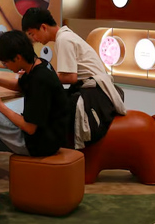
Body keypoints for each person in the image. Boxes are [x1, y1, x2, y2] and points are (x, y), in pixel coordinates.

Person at [0, 30, 70, 163]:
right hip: (37, 137)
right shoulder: (39, 65)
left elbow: (29, 127)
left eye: (6, 63)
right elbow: (21, 85)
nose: (6, 66)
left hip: (38, 143)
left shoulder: (40, 80)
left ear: (17, 58)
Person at [21, 8, 126, 149]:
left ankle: (47, 146)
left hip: (93, 94)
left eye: (32, 34)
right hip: (93, 89)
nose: (34, 40)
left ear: (43, 27)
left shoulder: (64, 40)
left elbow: (70, 77)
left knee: (50, 104)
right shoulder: (66, 36)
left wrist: (39, 77)